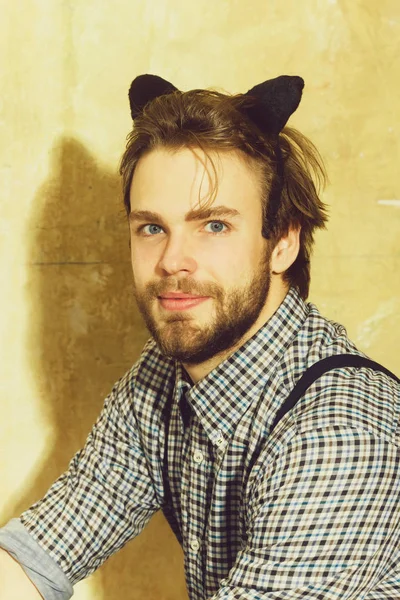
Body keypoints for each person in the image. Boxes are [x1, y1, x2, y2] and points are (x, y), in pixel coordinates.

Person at [0, 74, 399, 600]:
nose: (171, 261)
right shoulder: (160, 382)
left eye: (213, 225)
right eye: (151, 227)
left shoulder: (339, 435)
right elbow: (41, 554)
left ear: (282, 242)